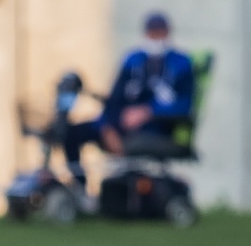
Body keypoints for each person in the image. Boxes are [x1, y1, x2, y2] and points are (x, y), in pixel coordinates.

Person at [62, 11, 197, 193]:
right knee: (71, 133)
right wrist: (107, 127)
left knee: (134, 140)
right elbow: (114, 99)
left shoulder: (181, 64)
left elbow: (185, 106)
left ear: (167, 33)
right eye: (152, 33)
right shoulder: (133, 60)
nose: (156, 38)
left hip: (156, 130)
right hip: (118, 126)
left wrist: (148, 112)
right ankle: (80, 190)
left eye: (160, 32)